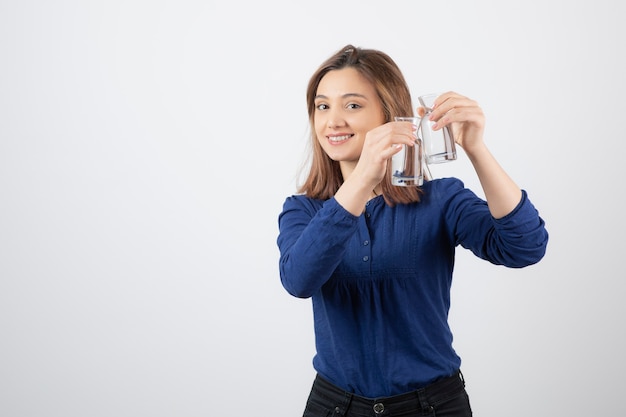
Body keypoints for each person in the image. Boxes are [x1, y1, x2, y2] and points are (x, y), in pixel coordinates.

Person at [276, 44, 548, 417]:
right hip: (335, 406)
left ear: (391, 116)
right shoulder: (303, 210)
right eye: (323, 106)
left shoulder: (440, 200)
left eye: (352, 105)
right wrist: (361, 181)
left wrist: (476, 148)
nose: (333, 121)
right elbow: (298, 280)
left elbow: (525, 247)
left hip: (433, 406)